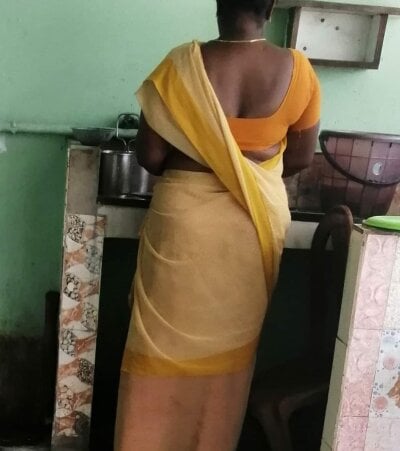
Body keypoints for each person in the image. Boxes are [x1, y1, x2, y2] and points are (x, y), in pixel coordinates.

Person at [114, 0, 320, 449]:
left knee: (157, 349)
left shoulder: (179, 67)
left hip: (183, 221)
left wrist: (206, 157)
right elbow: (302, 157)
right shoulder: (299, 71)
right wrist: (245, 174)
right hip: (249, 226)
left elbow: (149, 156)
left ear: (218, 4)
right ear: (270, 7)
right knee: (229, 356)